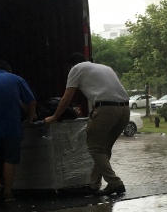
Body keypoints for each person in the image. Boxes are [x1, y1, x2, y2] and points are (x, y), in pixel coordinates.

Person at [45, 60, 129, 198]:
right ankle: (94, 185)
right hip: (125, 110)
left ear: (70, 66)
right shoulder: (106, 68)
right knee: (104, 148)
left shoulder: (76, 68)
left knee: (95, 147)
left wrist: (54, 117)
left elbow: (66, 99)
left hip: (106, 110)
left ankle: (115, 182)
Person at [0, 58, 36, 205]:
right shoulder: (17, 79)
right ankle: (8, 193)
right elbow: (31, 101)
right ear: (9, 70)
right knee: (10, 158)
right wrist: (29, 120)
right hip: (12, 124)